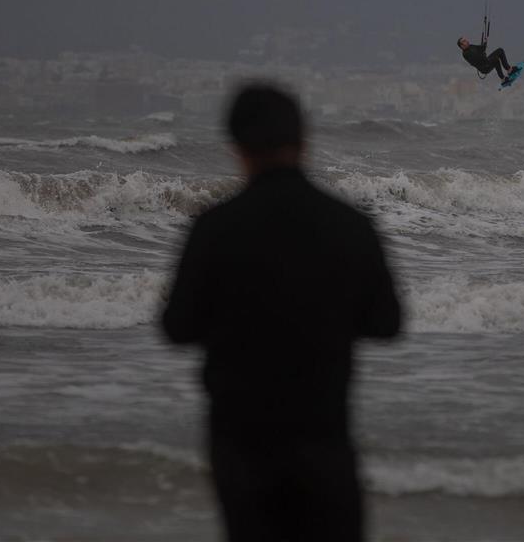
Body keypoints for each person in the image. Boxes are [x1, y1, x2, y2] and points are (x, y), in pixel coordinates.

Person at [161, 82, 402, 542]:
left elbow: (178, 328)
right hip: (323, 434)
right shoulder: (349, 225)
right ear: (304, 140)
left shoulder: (214, 228)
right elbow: (387, 324)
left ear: (236, 147)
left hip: (240, 442)